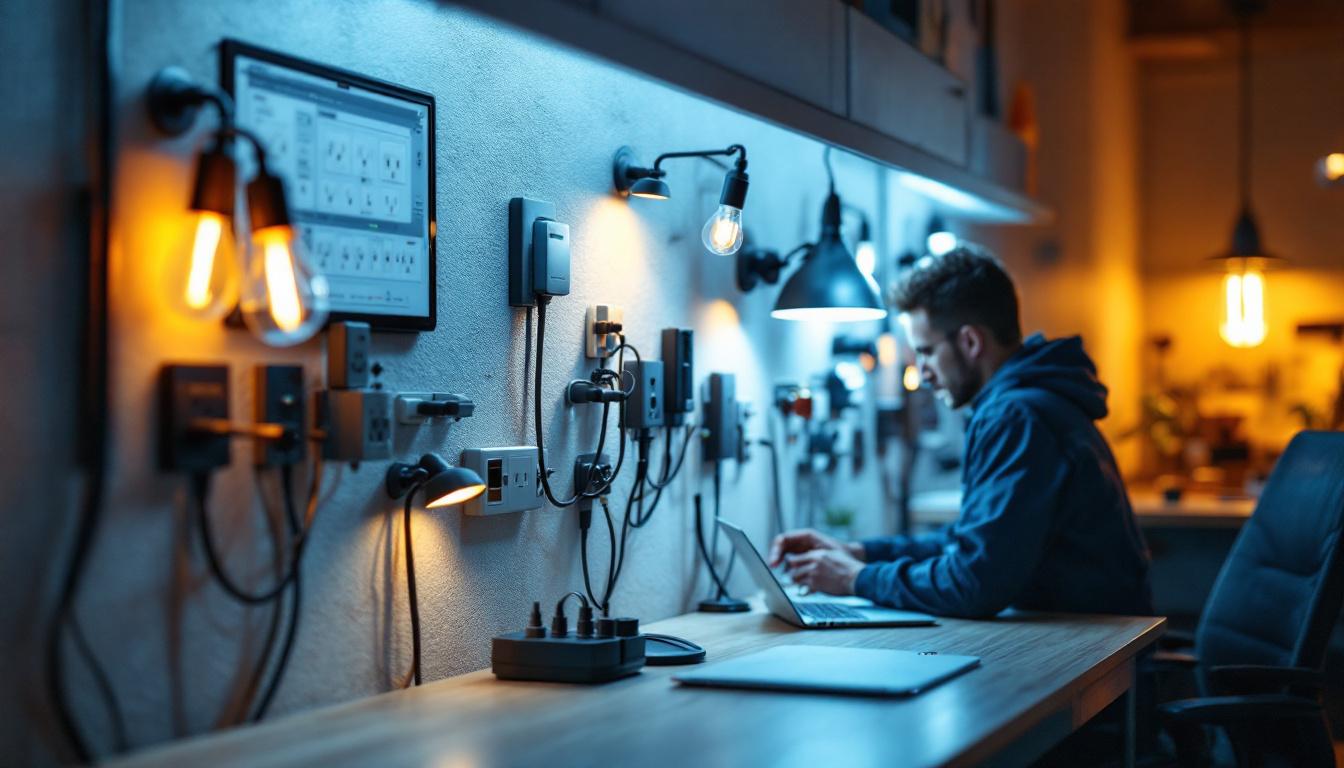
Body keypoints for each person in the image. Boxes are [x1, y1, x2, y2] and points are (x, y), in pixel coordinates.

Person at [770, 246, 1152, 618]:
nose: (922, 372)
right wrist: (859, 554)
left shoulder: (1016, 417)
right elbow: (974, 545)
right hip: (1085, 635)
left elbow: (974, 583)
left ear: (970, 341)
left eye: (926, 352)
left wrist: (854, 579)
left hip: (1089, 647)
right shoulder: (1031, 403)